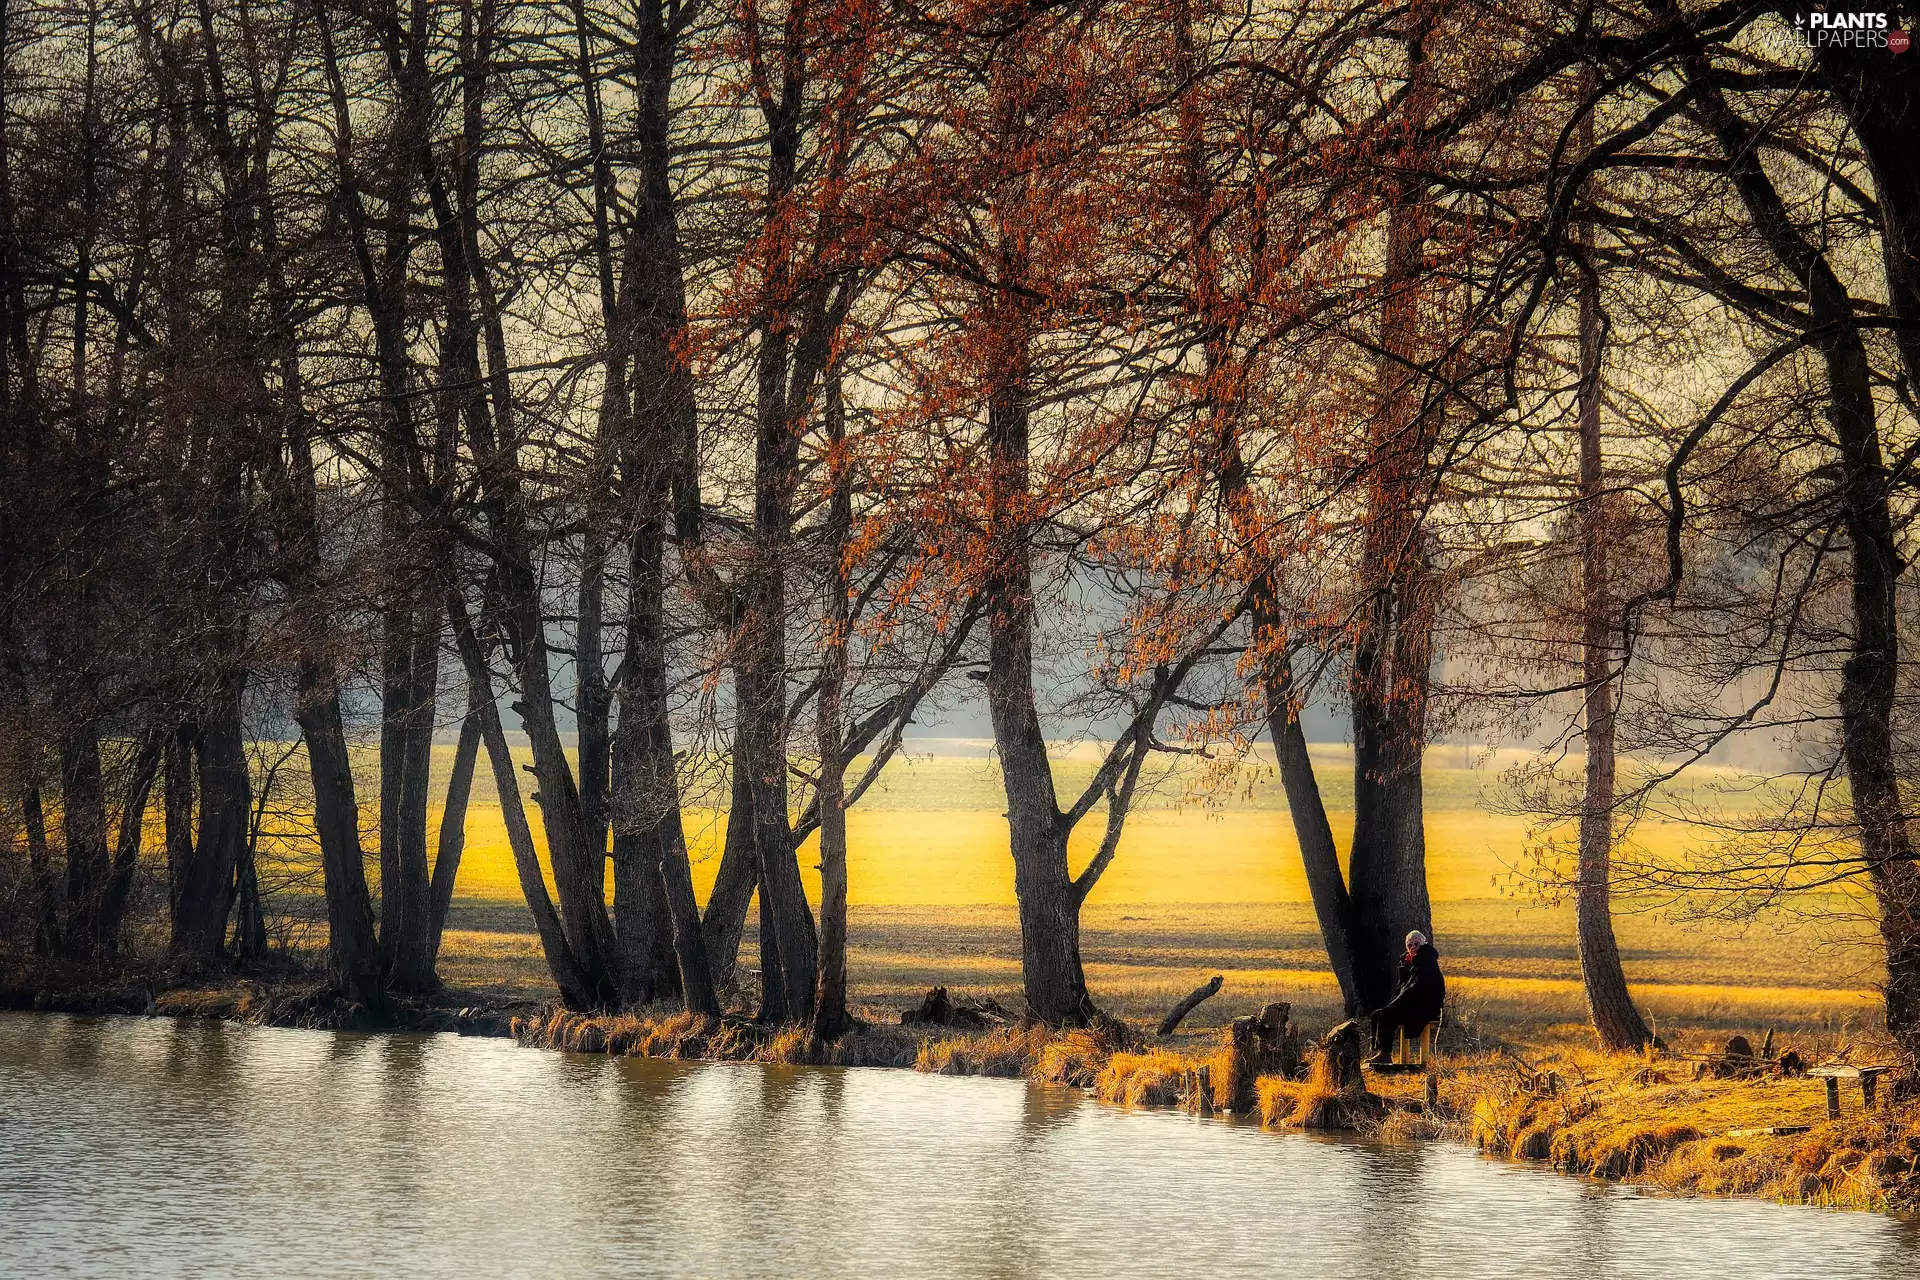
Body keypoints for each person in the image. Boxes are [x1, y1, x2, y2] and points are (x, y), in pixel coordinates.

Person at [1368, 930, 1445, 1063]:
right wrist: (1404, 969)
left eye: (1416, 944)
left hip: (1426, 1007)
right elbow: (1402, 988)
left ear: (1423, 944)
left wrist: (1398, 1004)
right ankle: (1382, 1052)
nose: (1413, 947)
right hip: (1414, 1004)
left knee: (1386, 1014)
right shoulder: (1412, 962)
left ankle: (1385, 1055)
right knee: (1378, 1014)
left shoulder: (1427, 960)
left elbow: (1417, 988)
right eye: (1410, 945)